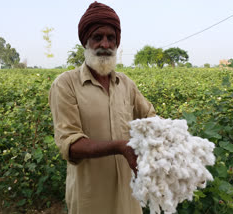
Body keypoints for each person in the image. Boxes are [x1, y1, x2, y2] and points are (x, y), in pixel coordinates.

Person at [48, 2, 155, 214]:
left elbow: (150, 118)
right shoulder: (65, 84)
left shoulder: (126, 84)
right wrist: (119, 147)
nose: (105, 44)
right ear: (86, 41)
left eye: (111, 38)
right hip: (90, 197)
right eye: (98, 37)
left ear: (117, 43)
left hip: (129, 195)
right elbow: (70, 144)